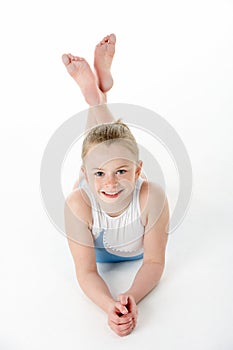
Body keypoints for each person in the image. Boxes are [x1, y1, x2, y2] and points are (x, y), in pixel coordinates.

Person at [62, 34, 169, 337]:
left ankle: (96, 99)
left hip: (131, 197)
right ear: (87, 174)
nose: (110, 182)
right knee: (100, 149)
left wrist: (133, 295)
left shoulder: (152, 197)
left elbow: (155, 260)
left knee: (107, 148)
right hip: (89, 195)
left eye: (122, 171)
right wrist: (108, 304)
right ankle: (96, 100)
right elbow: (85, 271)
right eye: (98, 174)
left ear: (138, 171)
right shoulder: (78, 203)